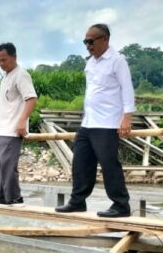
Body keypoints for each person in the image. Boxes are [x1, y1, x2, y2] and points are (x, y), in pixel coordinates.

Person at [55, 24, 135, 218]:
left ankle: (121, 205)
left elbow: (127, 89)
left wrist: (127, 117)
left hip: (107, 123)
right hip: (88, 122)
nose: (88, 45)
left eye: (91, 41)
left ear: (104, 39)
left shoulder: (117, 60)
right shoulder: (90, 62)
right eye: (85, 42)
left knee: (109, 164)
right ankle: (77, 201)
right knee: (80, 162)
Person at [0, 43, 37, 206]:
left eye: (4, 60)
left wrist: (22, 121)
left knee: (8, 165)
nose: (1, 64)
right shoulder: (6, 77)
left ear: (14, 57)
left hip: (13, 128)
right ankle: (1, 197)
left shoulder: (21, 75)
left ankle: (15, 197)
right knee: (1, 165)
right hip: (2, 128)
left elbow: (31, 98)